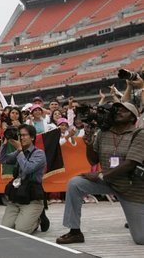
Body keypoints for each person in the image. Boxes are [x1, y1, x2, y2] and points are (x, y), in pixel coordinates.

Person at [56, 102, 144, 245]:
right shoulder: (103, 133)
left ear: (133, 117)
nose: (119, 111)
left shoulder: (139, 134)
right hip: (109, 182)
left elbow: (130, 163)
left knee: (141, 239)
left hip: (132, 189)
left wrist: (100, 175)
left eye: (124, 110)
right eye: (117, 109)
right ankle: (74, 231)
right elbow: (93, 161)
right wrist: (89, 143)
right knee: (75, 183)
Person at [0, 124, 47, 234]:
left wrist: (19, 150)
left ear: (32, 137)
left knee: (21, 230)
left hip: (32, 197)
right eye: (20, 135)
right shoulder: (19, 152)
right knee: (5, 229)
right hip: (17, 195)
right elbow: (1, 159)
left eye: (24, 135)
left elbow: (27, 169)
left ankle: (38, 218)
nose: (21, 138)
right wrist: (5, 143)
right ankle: (25, 216)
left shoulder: (39, 153)